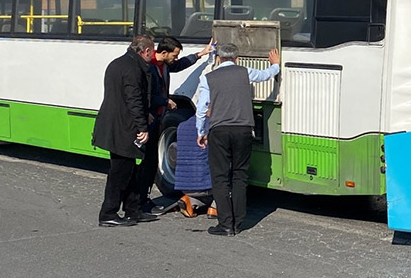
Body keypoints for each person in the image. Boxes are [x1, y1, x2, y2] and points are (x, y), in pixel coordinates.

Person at [196, 43, 281, 236]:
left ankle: (225, 223)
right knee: (240, 175)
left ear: (218, 58)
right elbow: (265, 75)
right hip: (243, 130)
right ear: (237, 58)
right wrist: (275, 65)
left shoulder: (208, 78)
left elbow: (202, 109)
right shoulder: (245, 72)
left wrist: (201, 132)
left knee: (220, 177)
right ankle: (238, 222)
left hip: (219, 131)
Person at [138, 36, 214, 211]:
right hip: (149, 117)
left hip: (159, 116)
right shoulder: (148, 67)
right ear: (164, 52)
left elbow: (180, 65)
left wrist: (201, 54)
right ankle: (140, 201)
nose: (176, 58)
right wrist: (165, 101)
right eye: (175, 55)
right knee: (147, 161)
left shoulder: (164, 64)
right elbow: (146, 95)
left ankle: (144, 199)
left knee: (151, 161)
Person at [93, 35, 158, 227]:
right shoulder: (133, 69)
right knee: (120, 172)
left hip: (115, 123)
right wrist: (142, 127)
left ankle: (133, 210)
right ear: (146, 51)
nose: (152, 56)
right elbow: (133, 99)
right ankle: (108, 213)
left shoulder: (118, 63)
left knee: (128, 169)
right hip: (124, 127)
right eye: (152, 52)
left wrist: (145, 115)